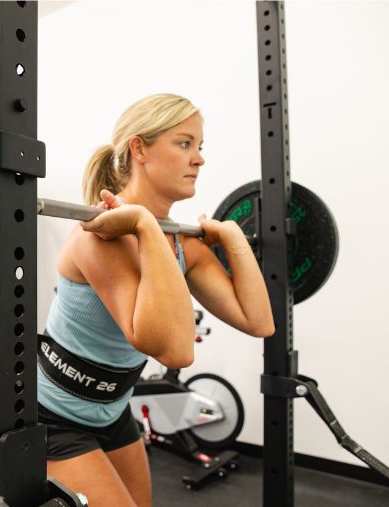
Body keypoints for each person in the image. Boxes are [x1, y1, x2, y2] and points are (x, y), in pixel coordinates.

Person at [37, 93, 274, 506]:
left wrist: (235, 240)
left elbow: (259, 323)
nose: (198, 159)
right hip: (51, 418)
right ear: (139, 148)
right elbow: (176, 351)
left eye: (200, 147)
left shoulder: (183, 244)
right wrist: (145, 226)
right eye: (185, 144)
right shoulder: (101, 236)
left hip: (111, 412)